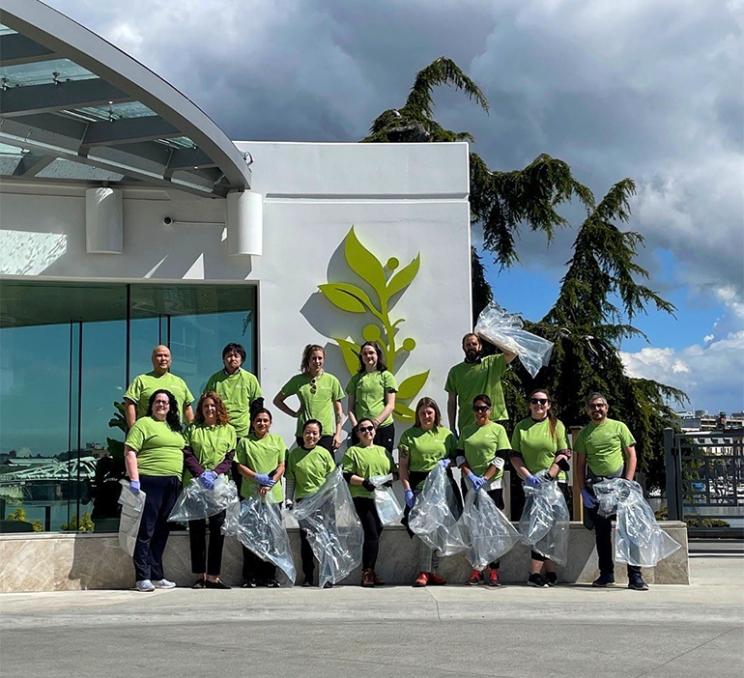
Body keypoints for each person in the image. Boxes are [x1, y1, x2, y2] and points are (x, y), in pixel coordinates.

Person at [574, 392, 648, 591]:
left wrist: (627, 482)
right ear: (587, 409)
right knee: (602, 534)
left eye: (600, 405)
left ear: (606, 407)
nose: (596, 409)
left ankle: (635, 576)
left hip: (620, 486)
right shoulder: (584, 434)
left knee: (630, 531)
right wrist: (583, 491)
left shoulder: (619, 427)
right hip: (597, 489)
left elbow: (631, 455)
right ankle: (606, 574)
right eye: (592, 406)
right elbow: (579, 464)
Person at [124, 389, 185, 592]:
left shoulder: (175, 427)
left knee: (162, 530)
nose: (161, 405)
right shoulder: (143, 424)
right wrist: (134, 480)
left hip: (172, 483)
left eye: (165, 402)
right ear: (151, 405)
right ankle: (143, 577)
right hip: (151, 481)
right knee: (146, 530)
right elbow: (130, 452)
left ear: (170, 406)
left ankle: (157, 575)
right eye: (158, 401)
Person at [510, 389, 572, 587]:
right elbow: (514, 456)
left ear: (549, 405)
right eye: (535, 401)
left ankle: (550, 570)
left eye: (543, 401)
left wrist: (548, 475)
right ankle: (534, 573)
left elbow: (563, 454)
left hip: (554, 482)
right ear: (529, 404)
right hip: (532, 485)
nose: (539, 405)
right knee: (538, 527)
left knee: (553, 527)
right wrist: (528, 477)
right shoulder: (521, 427)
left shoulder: (556, 425)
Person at [398, 397, 456, 587]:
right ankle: (424, 571)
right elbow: (403, 466)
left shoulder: (446, 435)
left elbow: (457, 457)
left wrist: (449, 462)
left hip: (443, 486)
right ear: (418, 415)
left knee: (439, 529)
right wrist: (407, 490)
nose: (426, 416)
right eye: (422, 413)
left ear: (436, 414)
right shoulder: (408, 436)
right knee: (425, 529)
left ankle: (433, 571)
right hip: (421, 485)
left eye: (429, 412)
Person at [456, 393, 511, 586]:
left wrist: (486, 477)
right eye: (477, 408)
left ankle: (493, 570)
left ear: (490, 410)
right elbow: (459, 456)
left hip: (492, 485)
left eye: (484, 408)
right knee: (474, 527)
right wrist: (470, 475)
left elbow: (502, 456)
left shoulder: (498, 430)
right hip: (471, 485)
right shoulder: (466, 430)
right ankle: (476, 569)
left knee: (492, 528)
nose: (480, 412)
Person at [182, 391, 236, 590]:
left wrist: (214, 473)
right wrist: (200, 473)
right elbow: (187, 453)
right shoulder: (193, 429)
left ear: (218, 407)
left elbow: (230, 457)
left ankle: (214, 576)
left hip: (218, 487)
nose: (209, 409)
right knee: (196, 530)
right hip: (196, 485)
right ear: (201, 409)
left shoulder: (228, 429)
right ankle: (200, 576)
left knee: (217, 530)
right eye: (205, 406)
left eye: (212, 406)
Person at [235, 407, 287, 588]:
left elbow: (281, 465)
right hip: (250, 495)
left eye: (265, 420)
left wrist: (270, 482)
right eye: (258, 420)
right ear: (252, 423)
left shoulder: (278, 440)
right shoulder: (244, 442)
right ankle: (250, 577)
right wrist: (256, 478)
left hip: (273, 496)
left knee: (272, 537)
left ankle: (269, 576)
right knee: (251, 536)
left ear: (270, 423)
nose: (262, 423)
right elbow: (240, 465)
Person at [341, 418, 396, 587]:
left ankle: (370, 569)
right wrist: (364, 482)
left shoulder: (384, 451)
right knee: (371, 533)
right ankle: (367, 572)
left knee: (376, 533)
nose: (367, 432)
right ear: (357, 433)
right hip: (362, 497)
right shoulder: (353, 452)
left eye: (370, 428)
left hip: (381, 499)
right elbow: (347, 475)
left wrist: (389, 480)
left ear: (375, 430)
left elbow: (394, 472)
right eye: (362, 429)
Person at [285, 419, 337, 587]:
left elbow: (332, 479)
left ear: (320, 436)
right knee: (307, 540)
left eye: (315, 433)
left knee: (326, 539)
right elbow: (291, 479)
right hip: (304, 502)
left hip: (324, 501)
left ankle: (327, 576)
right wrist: (288, 498)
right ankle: (308, 576)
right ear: (302, 434)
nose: (311, 436)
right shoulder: (294, 455)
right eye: (308, 432)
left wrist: (331, 497)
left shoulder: (324, 453)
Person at [274, 344, 345, 453]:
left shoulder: (332, 381)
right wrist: (293, 414)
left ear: (324, 359)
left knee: (326, 468)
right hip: (304, 433)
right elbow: (277, 400)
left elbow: (338, 410)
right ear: (308, 360)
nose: (317, 361)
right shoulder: (297, 380)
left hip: (325, 434)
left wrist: (338, 434)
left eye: (320, 358)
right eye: (314, 358)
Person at [445, 333, 516, 436]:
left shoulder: (492, 363)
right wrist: (452, 426)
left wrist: (489, 336)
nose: (471, 347)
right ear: (463, 347)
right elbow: (451, 401)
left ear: (480, 346)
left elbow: (512, 352)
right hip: (467, 424)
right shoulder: (455, 371)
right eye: (468, 345)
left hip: (492, 422)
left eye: (474, 344)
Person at [124, 345, 194, 429]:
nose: (163, 358)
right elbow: (129, 404)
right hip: (149, 435)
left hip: (175, 435)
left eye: (166, 356)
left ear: (170, 360)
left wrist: (192, 431)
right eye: (159, 355)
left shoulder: (180, 382)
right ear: (153, 360)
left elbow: (187, 408)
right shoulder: (141, 380)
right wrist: (133, 429)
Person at [346, 341, 398, 454]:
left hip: (383, 428)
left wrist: (375, 423)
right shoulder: (356, 379)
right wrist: (356, 427)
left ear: (378, 355)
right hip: (362, 430)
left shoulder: (386, 376)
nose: (368, 356)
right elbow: (350, 408)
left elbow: (390, 405)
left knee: (383, 463)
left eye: (371, 353)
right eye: (364, 354)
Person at [204, 343, 263, 439]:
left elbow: (257, 405)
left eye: (236, 356)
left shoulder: (250, 379)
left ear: (242, 360)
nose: (233, 359)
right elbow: (205, 402)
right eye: (229, 356)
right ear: (223, 359)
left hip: (243, 431)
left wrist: (253, 428)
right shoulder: (215, 379)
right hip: (220, 430)